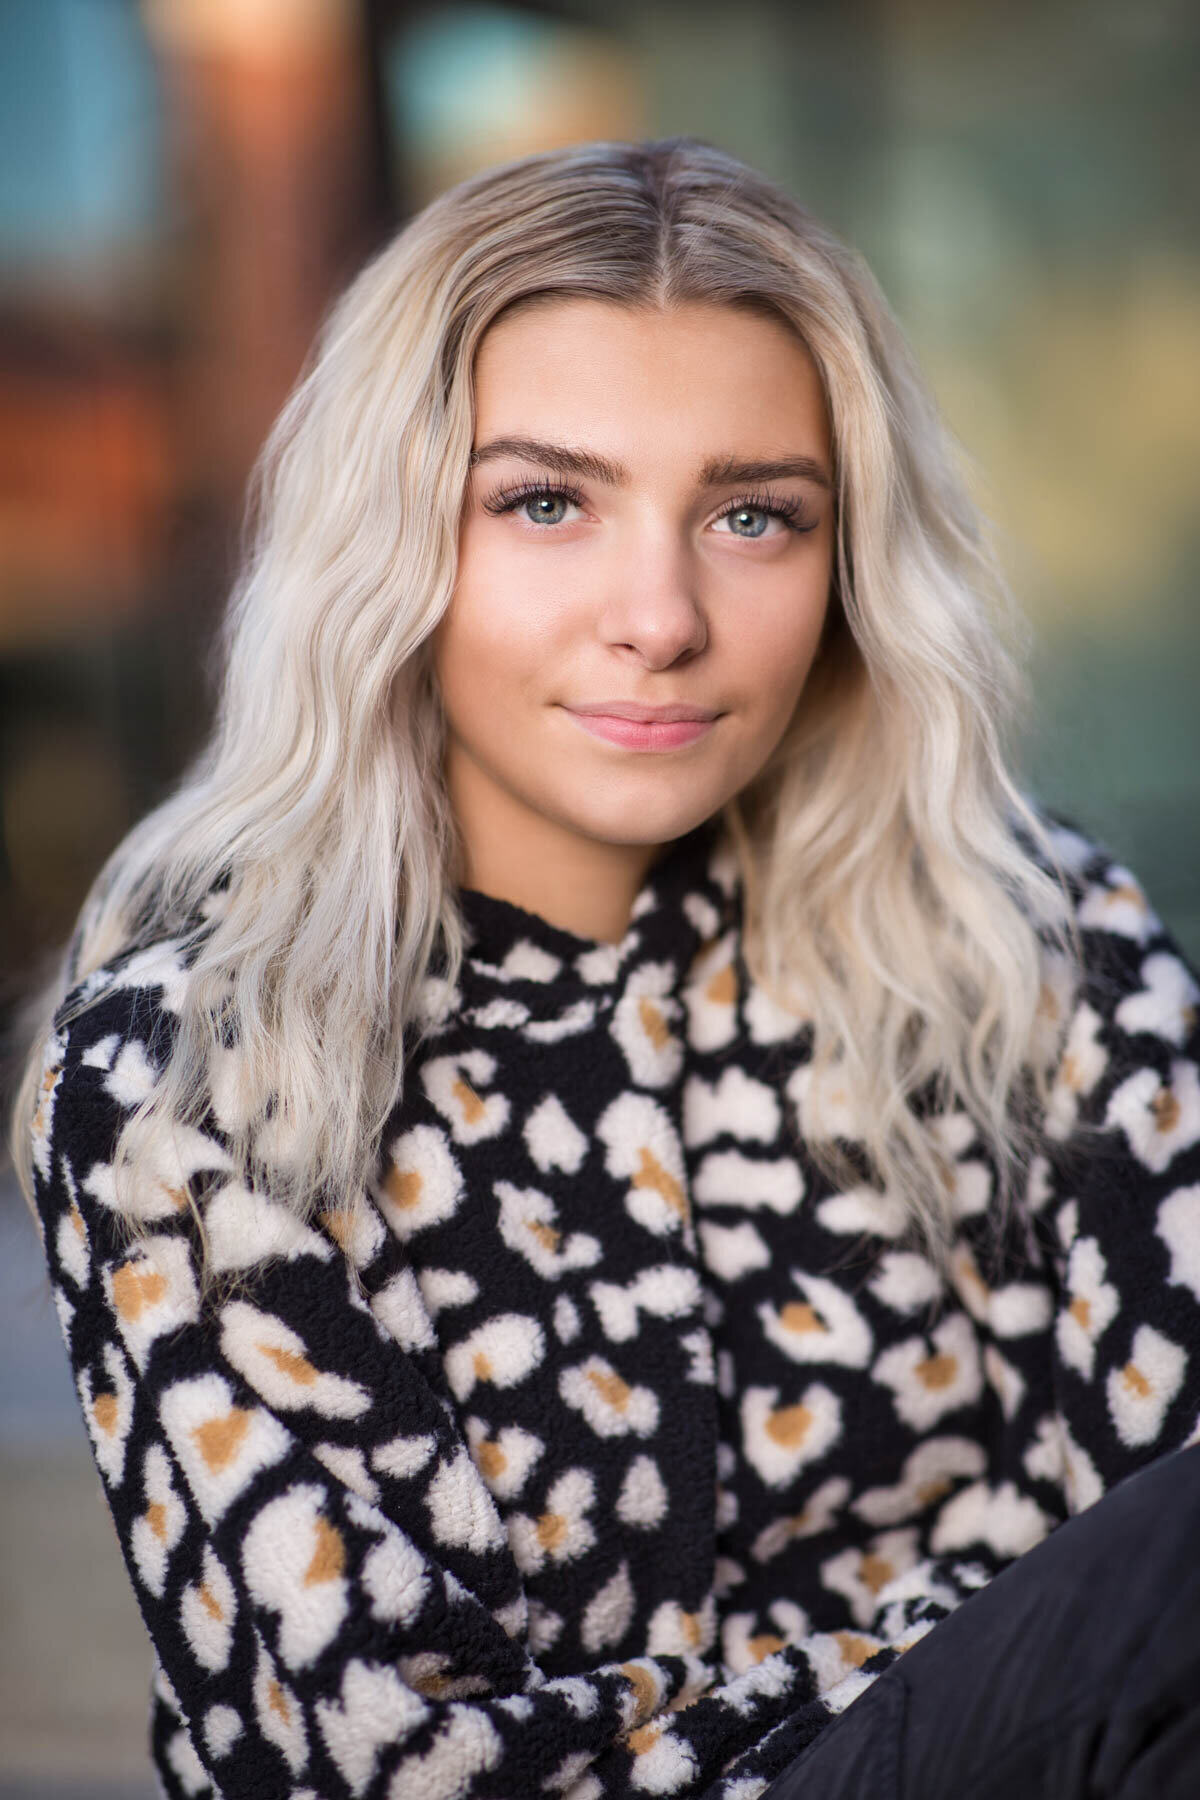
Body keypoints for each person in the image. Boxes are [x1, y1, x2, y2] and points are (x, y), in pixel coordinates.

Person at [9, 135, 1200, 1800]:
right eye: (547, 502)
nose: (661, 615)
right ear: (397, 542)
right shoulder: (201, 1072)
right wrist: (972, 1649)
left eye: (755, 515)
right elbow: (380, 1769)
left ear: (851, 564)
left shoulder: (1034, 954)